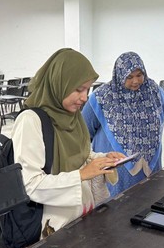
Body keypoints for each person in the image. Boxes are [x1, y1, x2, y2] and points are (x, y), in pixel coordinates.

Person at [11, 48, 124, 237]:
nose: (84, 97)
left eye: (88, 89)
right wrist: (81, 174)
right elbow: (30, 185)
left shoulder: (73, 116)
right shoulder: (31, 121)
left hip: (82, 215)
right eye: (78, 89)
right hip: (53, 227)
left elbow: (81, 155)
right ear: (59, 83)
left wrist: (102, 160)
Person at [82, 52, 164, 197]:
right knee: (117, 205)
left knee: (150, 201)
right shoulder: (102, 97)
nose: (136, 81)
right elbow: (84, 131)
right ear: (119, 75)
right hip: (117, 169)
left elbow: (162, 117)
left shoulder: (156, 92)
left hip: (151, 166)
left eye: (139, 75)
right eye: (129, 77)